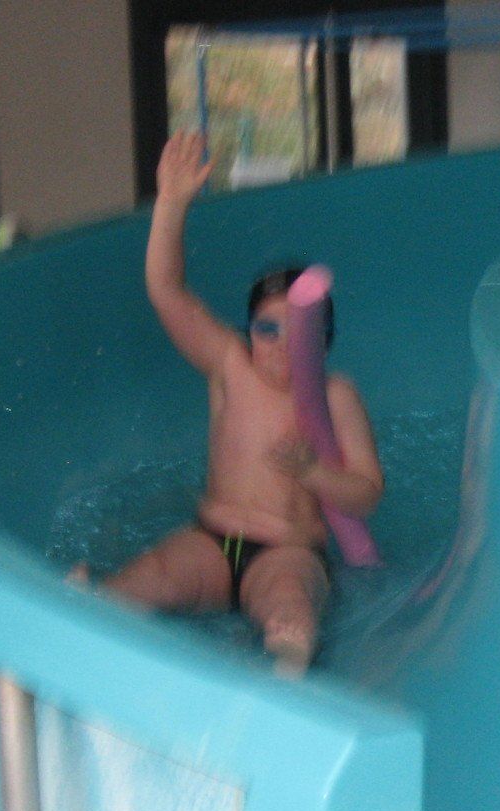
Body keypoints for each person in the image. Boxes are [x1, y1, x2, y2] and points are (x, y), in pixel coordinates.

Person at [94, 133, 383, 667]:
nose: (280, 345)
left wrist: (315, 473)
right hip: (212, 541)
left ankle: (285, 680)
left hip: (289, 551)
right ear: (248, 331)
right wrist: (171, 204)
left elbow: (366, 494)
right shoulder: (229, 364)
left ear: (324, 341)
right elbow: (166, 290)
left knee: (289, 609)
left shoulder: (337, 396)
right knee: (140, 583)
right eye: (267, 329)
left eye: (299, 331)